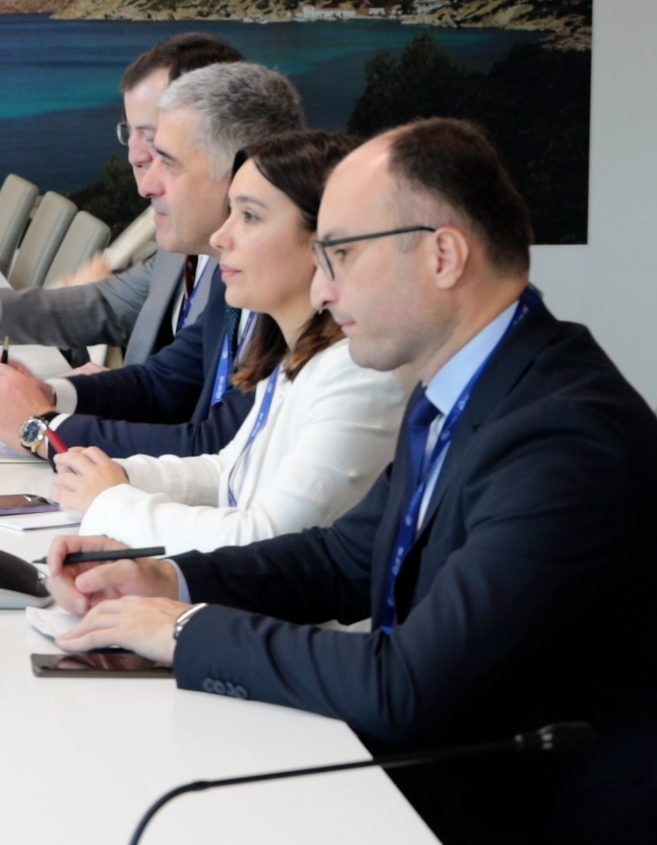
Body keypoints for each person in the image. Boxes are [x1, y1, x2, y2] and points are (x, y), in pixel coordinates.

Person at [47, 119, 657, 842]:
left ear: (443, 256)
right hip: (436, 777)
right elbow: (345, 558)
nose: (322, 287)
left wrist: (185, 630)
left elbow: (406, 684)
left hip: (518, 814)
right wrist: (166, 578)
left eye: (340, 254)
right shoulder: (463, 381)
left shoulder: (564, 437)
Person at [47, 131, 412, 554]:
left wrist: (112, 502)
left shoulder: (358, 372)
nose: (220, 237)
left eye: (250, 217)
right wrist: (120, 475)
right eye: (230, 213)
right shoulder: (292, 351)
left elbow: (263, 538)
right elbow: (228, 472)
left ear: (326, 239)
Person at [0, 62, 307, 460]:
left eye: (168, 163)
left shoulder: (288, 297)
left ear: (238, 175)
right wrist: (47, 395)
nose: (147, 185)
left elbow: (217, 450)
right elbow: (162, 386)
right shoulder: (228, 275)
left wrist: (39, 428)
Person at [0, 33, 245, 365]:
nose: (133, 155)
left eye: (152, 136)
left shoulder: (254, 273)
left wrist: (84, 394)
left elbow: (207, 396)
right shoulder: (182, 246)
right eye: (128, 131)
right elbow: (109, 305)